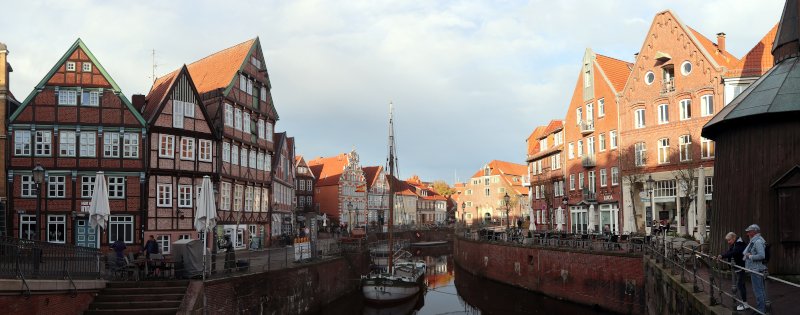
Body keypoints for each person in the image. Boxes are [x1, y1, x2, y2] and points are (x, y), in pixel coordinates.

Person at [717, 232, 747, 311]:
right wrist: (721, 255)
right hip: (738, 267)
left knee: (740, 285)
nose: (728, 242)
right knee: (740, 285)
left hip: (741, 267)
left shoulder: (739, 244)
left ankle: (744, 303)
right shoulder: (734, 244)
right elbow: (729, 251)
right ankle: (743, 302)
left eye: (729, 240)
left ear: (734, 238)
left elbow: (734, 252)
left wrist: (722, 256)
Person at [742, 224, 767, 314]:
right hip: (755, 268)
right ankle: (763, 308)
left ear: (754, 231)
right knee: (760, 290)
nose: (747, 233)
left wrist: (750, 256)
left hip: (757, 269)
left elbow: (762, 255)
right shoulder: (754, 240)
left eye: (749, 231)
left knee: (758, 290)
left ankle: (761, 310)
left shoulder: (758, 241)